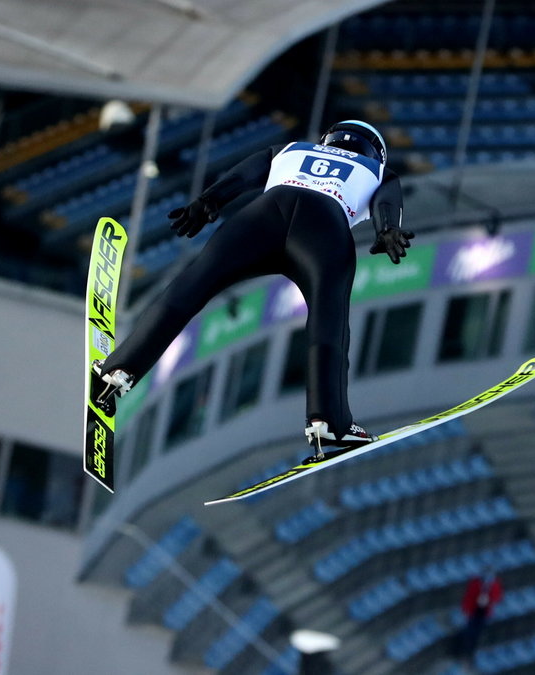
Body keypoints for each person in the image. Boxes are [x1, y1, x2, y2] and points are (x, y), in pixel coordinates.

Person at [92, 120, 414, 454]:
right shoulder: (378, 171)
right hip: (323, 227)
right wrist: (387, 230)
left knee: (193, 285)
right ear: (376, 152)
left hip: (263, 215)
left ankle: (119, 368)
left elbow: (243, 175)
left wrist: (209, 201)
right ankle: (329, 422)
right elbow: (386, 205)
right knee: (328, 323)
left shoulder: (291, 149)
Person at [452, 568, 504, 661]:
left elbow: (497, 597)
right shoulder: (476, 584)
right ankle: (460, 651)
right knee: (469, 631)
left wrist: (489, 597)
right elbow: (469, 597)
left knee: (476, 634)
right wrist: (466, 610)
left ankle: (468, 653)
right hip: (473, 611)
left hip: (483, 612)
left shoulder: (494, 585)